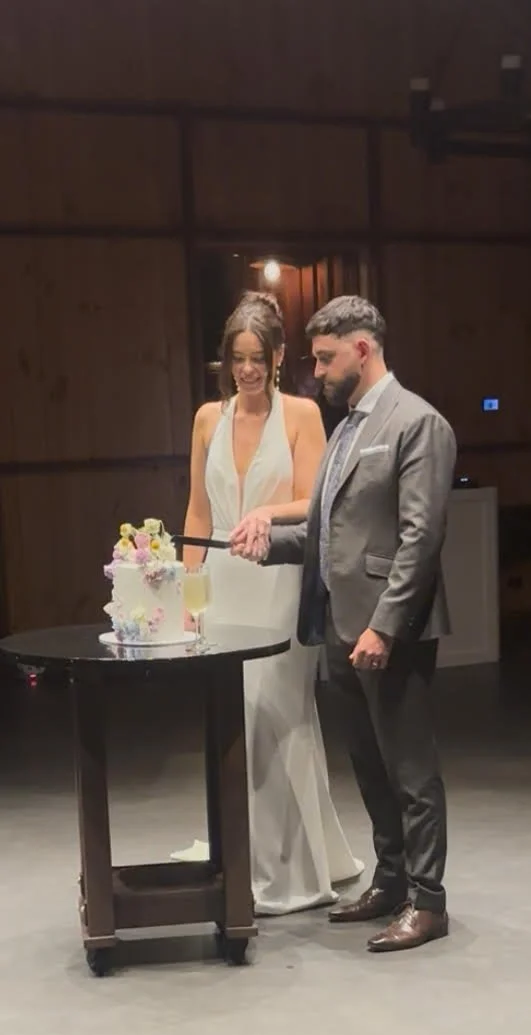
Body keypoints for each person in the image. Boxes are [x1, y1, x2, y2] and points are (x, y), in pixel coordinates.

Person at [231, 295, 457, 952]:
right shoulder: (348, 429)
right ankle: (390, 880)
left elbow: (419, 540)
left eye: (327, 358)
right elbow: (328, 533)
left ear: (362, 349)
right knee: (367, 763)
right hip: (338, 625)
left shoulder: (417, 423)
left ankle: (428, 901)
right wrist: (268, 545)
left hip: (388, 630)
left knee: (409, 768)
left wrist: (384, 626)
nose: (318, 371)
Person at [174, 290, 363, 915]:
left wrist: (264, 512)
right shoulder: (208, 419)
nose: (248, 369)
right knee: (233, 717)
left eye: (258, 357)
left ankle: (289, 869)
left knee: (277, 712)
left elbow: (315, 499)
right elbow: (198, 512)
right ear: (226, 360)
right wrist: (187, 590)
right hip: (222, 584)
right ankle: (240, 855)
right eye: (238, 358)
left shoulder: (302, 415)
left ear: (279, 357)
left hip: (278, 578)